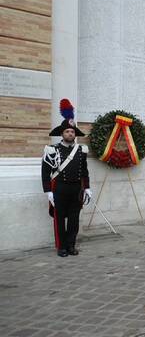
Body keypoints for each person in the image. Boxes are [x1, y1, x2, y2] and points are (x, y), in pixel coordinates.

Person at [41, 99, 91, 257]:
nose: (70, 134)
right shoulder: (52, 150)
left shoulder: (81, 150)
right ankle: (61, 247)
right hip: (60, 189)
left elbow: (84, 171)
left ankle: (71, 245)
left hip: (76, 189)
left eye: (73, 131)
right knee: (60, 219)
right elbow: (45, 172)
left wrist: (87, 188)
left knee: (74, 220)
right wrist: (48, 191)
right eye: (67, 131)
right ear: (62, 134)